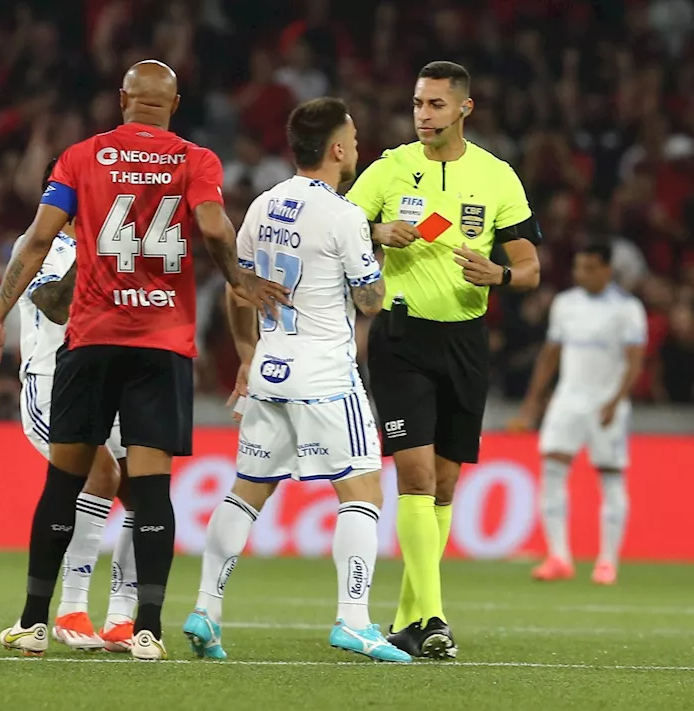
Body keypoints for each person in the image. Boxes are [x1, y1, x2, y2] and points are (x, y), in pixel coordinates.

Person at [0, 60, 286, 661]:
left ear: (123, 99)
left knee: (63, 484)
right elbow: (215, 226)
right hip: (162, 343)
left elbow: (40, 239)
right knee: (150, 490)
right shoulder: (197, 160)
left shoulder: (81, 155)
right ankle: (147, 629)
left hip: (93, 337)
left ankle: (35, 622)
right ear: (173, 104)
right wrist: (237, 277)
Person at [183, 98, 410, 664]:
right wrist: (378, 255)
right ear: (336, 149)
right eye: (353, 139)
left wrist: (245, 354)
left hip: (270, 369)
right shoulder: (344, 216)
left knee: (248, 490)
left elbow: (241, 285)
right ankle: (354, 621)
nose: (357, 147)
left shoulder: (263, 204)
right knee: (362, 492)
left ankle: (205, 610)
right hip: (326, 375)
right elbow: (369, 299)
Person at [345, 61, 542, 659]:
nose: (423, 115)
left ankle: (408, 618)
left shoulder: (497, 176)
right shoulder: (390, 166)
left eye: (435, 105)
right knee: (417, 475)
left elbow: (531, 268)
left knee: (447, 484)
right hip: (402, 337)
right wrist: (378, 231)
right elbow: (337, 225)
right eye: (417, 104)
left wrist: (501, 273)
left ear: (464, 109)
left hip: (465, 339)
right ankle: (434, 618)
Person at [14, 157, 137, 652]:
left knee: (143, 491)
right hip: (52, 384)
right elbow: (55, 304)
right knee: (101, 477)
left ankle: (122, 617)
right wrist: (99, 254)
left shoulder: (119, 244)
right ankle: (70, 609)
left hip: (110, 382)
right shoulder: (39, 248)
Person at [511, 244, 645, 585]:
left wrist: (616, 401)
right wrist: (532, 402)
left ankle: (607, 561)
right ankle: (558, 556)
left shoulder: (627, 309)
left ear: (606, 269)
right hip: (568, 399)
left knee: (611, 476)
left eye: (588, 267)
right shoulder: (565, 304)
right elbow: (550, 355)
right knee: (552, 470)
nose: (580, 273)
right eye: (578, 267)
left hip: (606, 401)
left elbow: (634, 361)